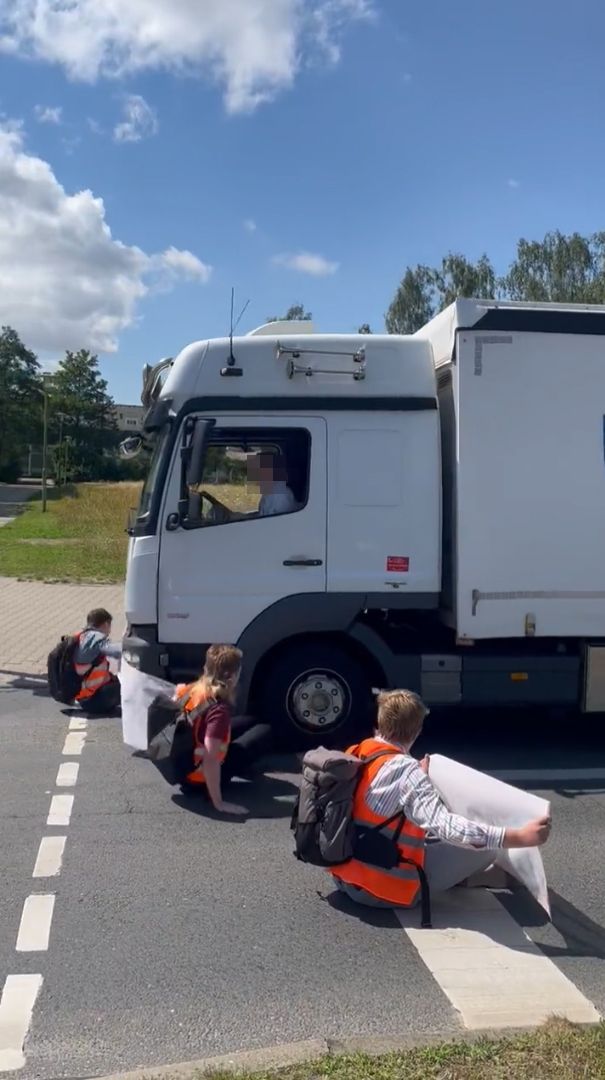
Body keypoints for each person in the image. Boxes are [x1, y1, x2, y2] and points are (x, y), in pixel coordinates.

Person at [330, 689, 552, 909]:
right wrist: (519, 836)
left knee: (424, 833)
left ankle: (459, 877)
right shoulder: (407, 773)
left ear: (379, 723)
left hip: (345, 877)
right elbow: (447, 827)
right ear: (417, 731)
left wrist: (419, 778)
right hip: (380, 889)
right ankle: (462, 878)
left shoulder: (359, 751)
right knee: (485, 841)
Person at [174, 644, 249, 815]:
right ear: (231, 676)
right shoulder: (219, 710)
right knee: (257, 740)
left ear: (205, 668)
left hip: (184, 764)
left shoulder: (192, 689)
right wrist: (219, 803)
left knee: (251, 722)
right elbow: (210, 758)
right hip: (198, 777)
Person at [74, 608, 122, 716]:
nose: (109, 631)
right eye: (109, 626)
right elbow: (115, 651)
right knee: (130, 686)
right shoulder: (95, 639)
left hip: (82, 698)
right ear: (105, 624)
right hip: (94, 699)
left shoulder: (80, 636)